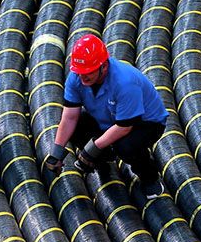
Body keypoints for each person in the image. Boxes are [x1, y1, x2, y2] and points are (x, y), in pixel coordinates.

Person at [43, 33, 168, 199]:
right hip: (109, 119)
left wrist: (91, 150)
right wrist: (56, 153)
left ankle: (150, 177)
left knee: (126, 147)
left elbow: (124, 127)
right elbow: (69, 118)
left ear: (104, 66)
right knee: (77, 127)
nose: (83, 76)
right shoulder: (76, 78)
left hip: (144, 123)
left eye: (88, 72)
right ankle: (105, 158)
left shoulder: (125, 82)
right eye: (80, 72)